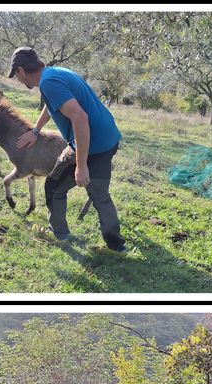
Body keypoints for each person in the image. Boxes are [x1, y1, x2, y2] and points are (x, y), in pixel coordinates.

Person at [8, 46, 127, 253]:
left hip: (93, 145)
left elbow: (80, 118)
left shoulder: (49, 82)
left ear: (20, 71)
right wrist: (36, 130)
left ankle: (61, 235)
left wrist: (81, 165)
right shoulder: (54, 74)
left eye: (16, 76)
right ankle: (114, 247)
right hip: (107, 138)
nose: (18, 80)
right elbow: (51, 104)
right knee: (91, 192)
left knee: (58, 187)